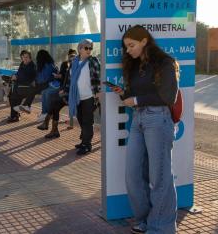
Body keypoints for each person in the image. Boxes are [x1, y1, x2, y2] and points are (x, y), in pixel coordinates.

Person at [110, 25, 178, 234]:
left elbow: (168, 96)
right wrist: (124, 94)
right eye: (126, 46)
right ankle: (144, 219)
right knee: (133, 175)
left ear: (144, 41)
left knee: (160, 177)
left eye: (131, 45)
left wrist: (136, 99)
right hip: (138, 119)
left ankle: (161, 227)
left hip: (158, 119)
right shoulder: (134, 65)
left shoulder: (164, 62)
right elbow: (133, 94)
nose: (128, 50)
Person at [68, 39, 101, 155]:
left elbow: (99, 77)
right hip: (77, 97)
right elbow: (71, 79)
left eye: (90, 48)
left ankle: (87, 144)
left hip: (89, 96)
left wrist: (98, 92)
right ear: (80, 49)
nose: (89, 50)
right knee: (81, 119)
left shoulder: (93, 61)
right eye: (86, 48)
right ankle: (84, 141)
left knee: (87, 121)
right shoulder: (74, 62)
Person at [39, 49, 77, 138]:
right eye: (70, 57)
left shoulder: (77, 70)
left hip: (72, 95)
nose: (71, 59)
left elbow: (73, 84)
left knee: (54, 101)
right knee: (53, 103)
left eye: (74, 57)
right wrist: (63, 88)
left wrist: (64, 90)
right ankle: (52, 129)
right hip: (65, 92)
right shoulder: (67, 66)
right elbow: (65, 81)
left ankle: (48, 123)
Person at [14, 50, 56, 114]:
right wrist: (35, 80)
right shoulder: (46, 64)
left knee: (33, 88)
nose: (37, 59)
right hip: (44, 83)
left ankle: (27, 106)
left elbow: (43, 78)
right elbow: (39, 76)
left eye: (38, 57)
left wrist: (36, 81)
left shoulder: (47, 65)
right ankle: (27, 106)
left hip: (50, 84)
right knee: (32, 88)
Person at [7, 50, 36, 123]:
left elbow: (28, 78)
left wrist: (17, 77)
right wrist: (15, 76)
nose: (24, 59)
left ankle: (14, 116)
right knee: (11, 96)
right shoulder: (22, 64)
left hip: (27, 87)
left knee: (14, 97)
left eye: (26, 57)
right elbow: (19, 73)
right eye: (23, 57)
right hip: (20, 86)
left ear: (30, 58)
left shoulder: (32, 66)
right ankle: (15, 115)